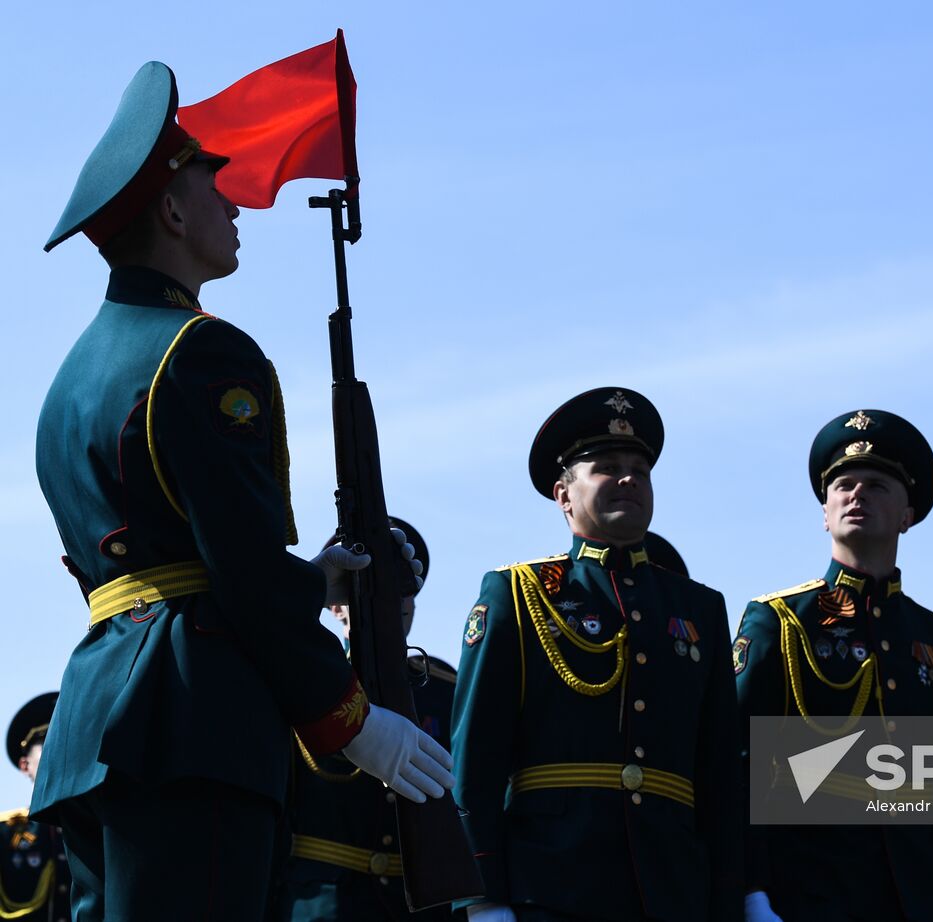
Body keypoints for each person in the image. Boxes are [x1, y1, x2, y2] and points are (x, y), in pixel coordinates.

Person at [35, 61, 451, 919]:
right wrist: (352, 720)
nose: (235, 203)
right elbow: (244, 576)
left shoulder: (69, 380)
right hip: (196, 726)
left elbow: (171, 550)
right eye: (210, 184)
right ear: (172, 212)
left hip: (97, 728)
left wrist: (314, 578)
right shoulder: (201, 353)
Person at [451, 387, 744, 921]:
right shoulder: (518, 593)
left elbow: (721, 770)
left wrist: (738, 895)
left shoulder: (699, 606)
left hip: (675, 890)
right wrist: (483, 897)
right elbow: (477, 757)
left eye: (641, 468)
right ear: (564, 495)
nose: (629, 478)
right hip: (553, 886)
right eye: (607, 467)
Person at [732, 408, 933, 922]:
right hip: (811, 888)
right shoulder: (778, 620)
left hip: (920, 895)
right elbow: (740, 765)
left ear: (908, 514)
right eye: (843, 484)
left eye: (877, 485)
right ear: (824, 512)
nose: (857, 494)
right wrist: (752, 892)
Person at [276, 518, 455, 922]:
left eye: (400, 593)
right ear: (335, 604)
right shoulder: (305, 680)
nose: (392, 604)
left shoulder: (443, 687)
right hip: (321, 901)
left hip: (421, 903)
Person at [4, 693, 70, 920]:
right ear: (25, 765)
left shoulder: (101, 828)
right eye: (48, 747)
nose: (61, 754)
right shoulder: (5, 833)